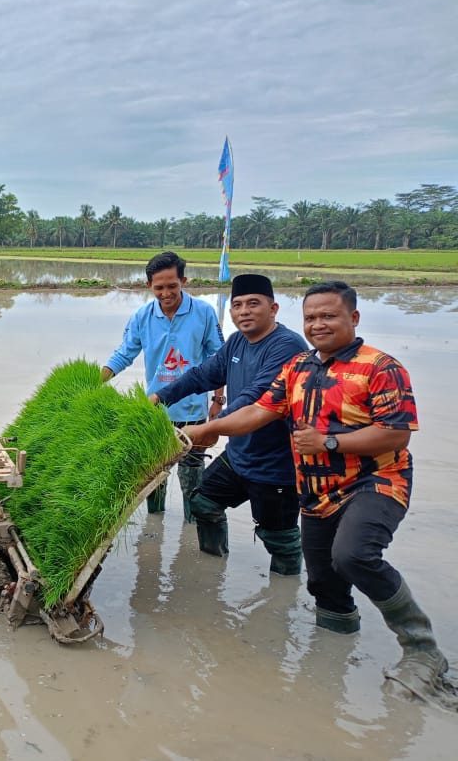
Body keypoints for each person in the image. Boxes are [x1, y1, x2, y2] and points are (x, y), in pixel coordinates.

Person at [182, 281, 449, 696]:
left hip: (375, 482)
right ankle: (327, 674)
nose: (318, 324)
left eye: (329, 316)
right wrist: (204, 430)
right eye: (311, 317)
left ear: (353, 318)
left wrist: (328, 443)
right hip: (317, 492)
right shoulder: (298, 368)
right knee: (325, 586)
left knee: (354, 555)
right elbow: (257, 411)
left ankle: (423, 650)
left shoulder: (381, 367)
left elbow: (397, 434)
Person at [150, 274, 307, 574]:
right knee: (204, 503)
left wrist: (211, 427)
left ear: (273, 309)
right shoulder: (237, 342)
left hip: (276, 466)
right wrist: (159, 398)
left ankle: (284, 590)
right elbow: (201, 375)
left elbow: (254, 397)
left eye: (253, 304)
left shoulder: (287, 347)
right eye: (237, 305)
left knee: (279, 538)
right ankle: (211, 571)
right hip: (239, 456)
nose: (244, 311)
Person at [102, 251, 224, 520]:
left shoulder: (203, 312)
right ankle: (154, 527)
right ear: (149, 285)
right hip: (156, 410)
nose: (166, 293)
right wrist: (95, 380)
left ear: (184, 281)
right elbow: (124, 353)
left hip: (193, 411)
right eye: (159, 288)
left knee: (192, 477)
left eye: (172, 286)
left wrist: (218, 400)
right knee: (154, 477)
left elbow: (219, 359)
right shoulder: (142, 316)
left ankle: (192, 527)